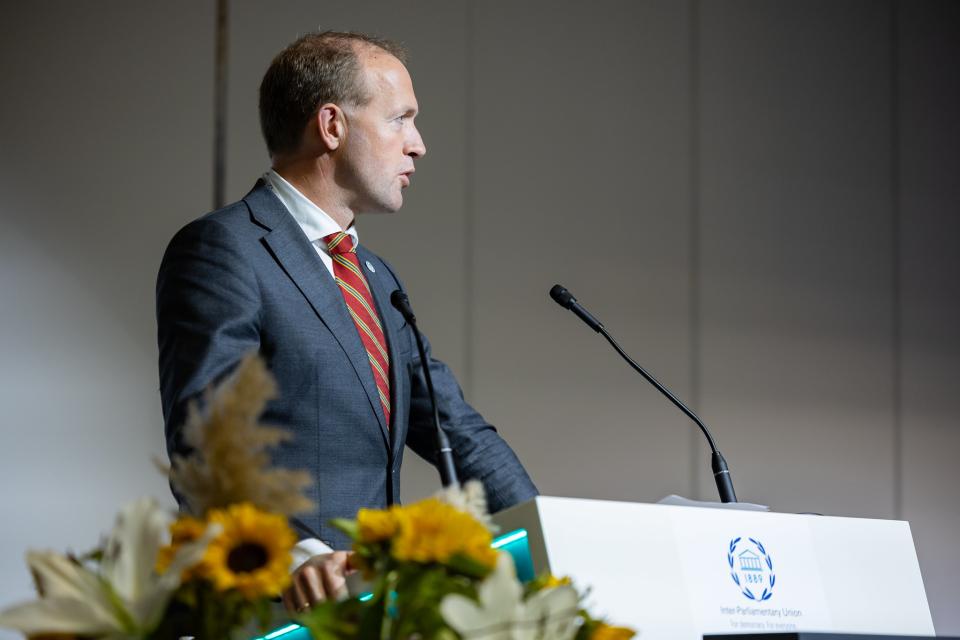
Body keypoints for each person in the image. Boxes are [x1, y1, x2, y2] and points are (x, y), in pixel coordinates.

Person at [156, 31, 538, 612]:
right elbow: (208, 447)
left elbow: (458, 431)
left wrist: (547, 536)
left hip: (370, 609)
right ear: (332, 126)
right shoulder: (224, 248)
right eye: (401, 119)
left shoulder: (376, 277)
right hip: (274, 608)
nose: (419, 145)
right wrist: (294, 559)